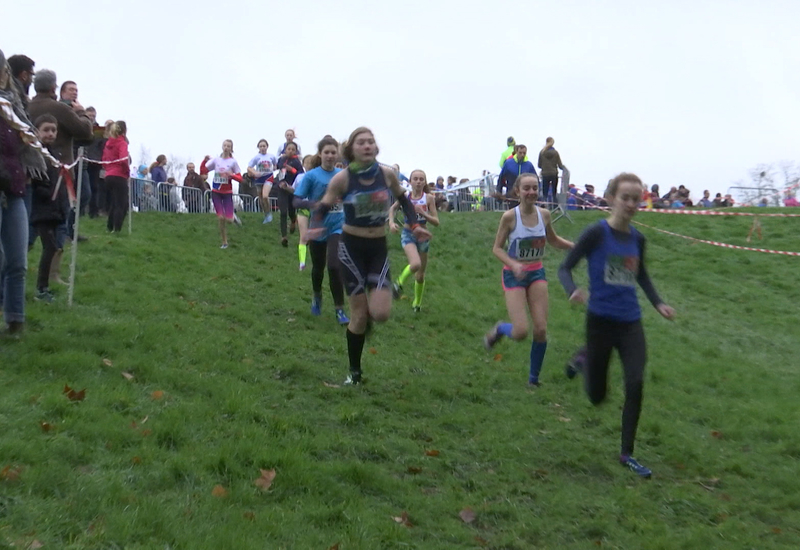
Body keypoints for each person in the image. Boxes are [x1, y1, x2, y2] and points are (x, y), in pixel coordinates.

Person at [558, 172, 676, 478]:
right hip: (599, 322)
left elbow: (642, 275)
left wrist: (658, 302)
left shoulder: (638, 239)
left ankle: (627, 454)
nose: (631, 204)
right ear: (611, 200)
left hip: (630, 323)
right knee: (597, 397)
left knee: (635, 382)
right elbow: (565, 266)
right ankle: (585, 357)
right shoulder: (595, 234)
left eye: (636, 199)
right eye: (625, 198)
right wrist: (572, 289)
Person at [308, 127, 431, 385]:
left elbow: (405, 201)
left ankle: (364, 322)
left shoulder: (387, 174)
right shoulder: (342, 179)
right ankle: (354, 373)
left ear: (376, 148)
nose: (367, 146)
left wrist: (415, 224)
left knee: (381, 314)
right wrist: (316, 223)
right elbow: (324, 204)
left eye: (371, 142)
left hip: (377, 248)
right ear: (351, 149)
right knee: (360, 315)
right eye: (361, 142)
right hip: (351, 248)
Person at [483, 173, 573, 386]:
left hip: (536, 273)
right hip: (513, 275)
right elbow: (496, 248)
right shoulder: (509, 217)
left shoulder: (545, 215)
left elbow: (553, 240)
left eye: (535, 188)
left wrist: (575, 247)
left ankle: (533, 380)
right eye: (527, 188)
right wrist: (513, 264)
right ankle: (499, 330)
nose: (532, 192)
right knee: (521, 331)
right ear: (518, 191)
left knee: (541, 329)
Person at [0, 50, 54, 337]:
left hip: (16, 188)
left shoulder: (15, 105)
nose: (7, 76)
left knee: (18, 259)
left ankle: (15, 323)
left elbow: (26, 142)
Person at [293, 136, 349, 324]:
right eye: (327, 152)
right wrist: (314, 204)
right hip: (317, 227)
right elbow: (296, 199)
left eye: (334, 152)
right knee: (318, 268)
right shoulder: (311, 176)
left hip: (337, 226)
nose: (331, 156)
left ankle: (340, 310)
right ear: (320, 154)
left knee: (334, 266)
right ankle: (317, 296)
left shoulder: (342, 175)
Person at [29, 114, 69, 303]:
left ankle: (43, 287)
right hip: (41, 209)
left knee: (50, 247)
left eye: (53, 130)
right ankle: (41, 289)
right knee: (48, 246)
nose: (51, 133)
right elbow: (37, 181)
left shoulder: (55, 154)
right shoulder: (35, 153)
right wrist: (45, 191)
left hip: (53, 209)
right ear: (37, 132)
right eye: (46, 130)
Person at [389, 169, 440, 312]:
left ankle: (417, 304)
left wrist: (424, 213)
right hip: (408, 233)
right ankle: (398, 283)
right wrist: (391, 223)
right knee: (415, 263)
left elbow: (436, 222)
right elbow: (392, 210)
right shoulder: (406, 196)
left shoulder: (429, 198)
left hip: (423, 235)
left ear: (424, 182)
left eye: (421, 179)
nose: (418, 182)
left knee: (420, 275)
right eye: (415, 179)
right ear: (410, 182)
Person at [201, 140, 243, 249]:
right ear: (222, 147)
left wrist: (231, 175)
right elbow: (203, 170)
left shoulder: (233, 162)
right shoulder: (216, 160)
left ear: (231, 148)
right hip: (216, 192)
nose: (226, 147)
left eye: (228, 146)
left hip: (227, 193)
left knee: (228, 219)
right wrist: (204, 160)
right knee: (220, 218)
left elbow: (240, 178)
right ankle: (224, 242)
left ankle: (233, 218)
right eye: (224, 145)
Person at [102, 121, 130, 232]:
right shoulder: (122, 143)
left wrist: (108, 169)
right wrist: (126, 172)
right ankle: (117, 229)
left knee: (114, 202)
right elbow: (123, 159)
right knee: (122, 204)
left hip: (108, 175)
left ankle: (110, 227)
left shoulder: (108, 143)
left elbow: (104, 160)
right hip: (119, 175)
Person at [275, 142, 303, 247]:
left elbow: (301, 175)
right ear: (285, 150)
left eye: (293, 149)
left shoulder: (296, 162)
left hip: (291, 189)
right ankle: (284, 237)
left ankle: (293, 220)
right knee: (283, 212)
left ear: (295, 151)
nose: (290, 151)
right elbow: (277, 171)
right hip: (282, 188)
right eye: (288, 149)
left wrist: (292, 170)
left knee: (291, 210)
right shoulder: (281, 160)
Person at [293, 154, 317, 269]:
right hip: (303, 208)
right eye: (307, 162)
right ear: (303, 164)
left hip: (315, 208)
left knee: (314, 237)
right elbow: (294, 190)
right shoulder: (299, 177)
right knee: (303, 236)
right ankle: (302, 262)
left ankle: (316, 261)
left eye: (311, 162)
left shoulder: (318, 176)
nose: (309, 165)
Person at [246, 139, 277, 224]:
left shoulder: (271, 156)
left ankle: (269, 214)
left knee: (265, 196)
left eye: (264, 146)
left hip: (268, 176)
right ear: (258, 148)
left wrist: (274, 168)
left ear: (267, 147)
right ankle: (266, 214)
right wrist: (254, 172)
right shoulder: (256, 157)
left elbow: (276, 165)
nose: (262, 148)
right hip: (259, 178)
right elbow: (249, 167)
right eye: (261, 146)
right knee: (261, 199)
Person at [537, 137, 565, 206]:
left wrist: (544, 166)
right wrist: (563, 168)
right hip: (554, 174)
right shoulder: (555, 153)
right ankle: (555, 207)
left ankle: (544, 206)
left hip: (545, 174)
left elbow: (539, 165)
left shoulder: (542, 152)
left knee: (545, 192)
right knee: (554, 192)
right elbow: (560, 165)